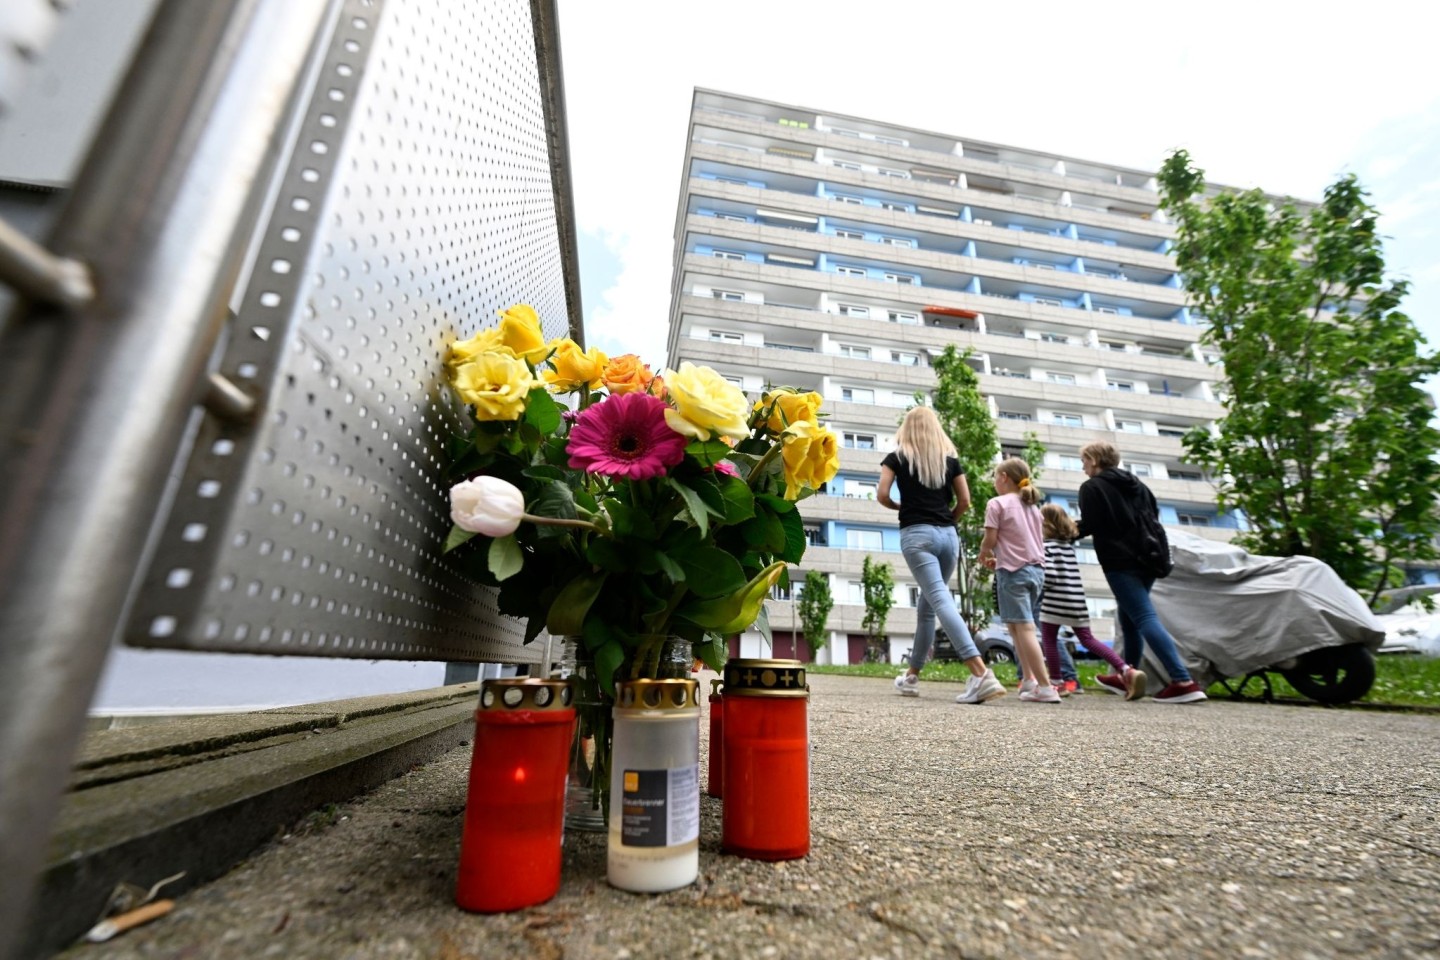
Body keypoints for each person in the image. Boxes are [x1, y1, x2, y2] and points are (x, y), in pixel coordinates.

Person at [879, 407, 1006, 704]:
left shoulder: (896, 458)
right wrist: (948, 519)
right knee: (928, 607)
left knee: (939, 599)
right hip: (948, 536)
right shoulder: (949, 460)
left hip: (917, 534)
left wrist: (902, 508)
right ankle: (911, 675)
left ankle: (980, 673)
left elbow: (883, 494)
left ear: (907, 429)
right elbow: (964, 501)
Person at [1076, 442, 1207, 704]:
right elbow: (1152, 517)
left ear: (1094, 459)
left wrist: (1060, 530)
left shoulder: (1092, 487)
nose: (1082, 466)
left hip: (1120, 561)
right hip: (1150, 558)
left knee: (1144, 616)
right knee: (1130, 618)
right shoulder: (1138, 485)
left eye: (1084, 460)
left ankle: (1182, 680)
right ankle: (1128, 674)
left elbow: (1091, 524)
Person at [1039, 503, 1143, 698]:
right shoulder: (1068, 547)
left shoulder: (1046, 547)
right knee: (1088, 639)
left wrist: (1038, 581)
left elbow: (1050, 576)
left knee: (1049, 640)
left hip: (1054, 602)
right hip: (1076, 601)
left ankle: (1057, 682)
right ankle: (1125, 670)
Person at [978, 458, 1059, 703]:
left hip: (1014, 573)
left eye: (995, 476)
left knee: (1023, 629)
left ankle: (1045, 687)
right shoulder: (1032, 507)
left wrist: (984, 553)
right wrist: (999, 558)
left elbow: (990, 539)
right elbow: (1021, 540)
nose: (994, 481)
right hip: (1035, 571)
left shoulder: (997, 504)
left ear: (1003, 477)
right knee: (1016, 627)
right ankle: (1029, 682)